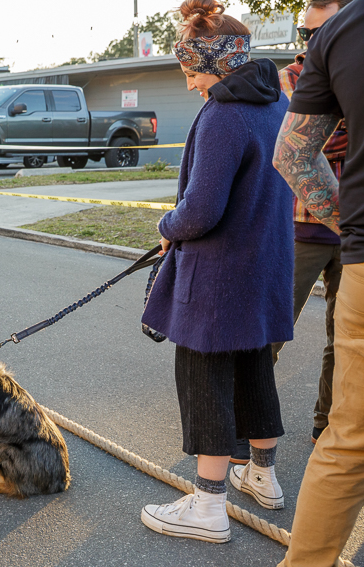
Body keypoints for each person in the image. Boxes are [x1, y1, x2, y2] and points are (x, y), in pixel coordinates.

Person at [140, 0, 293, 544]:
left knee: (204, 376)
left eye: (191, 70)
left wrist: (166, 223)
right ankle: (263, 475)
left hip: (219, 272)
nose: (188, 84)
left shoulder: (223, 113)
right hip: (265, 264)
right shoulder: (277, 103)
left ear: (217, 61)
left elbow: (201, 210)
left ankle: (207, 505)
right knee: (255, 366)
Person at [272, 1, 364, 564]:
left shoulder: (345, 30)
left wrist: (349, 225)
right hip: (318, 233)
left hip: (354, 245)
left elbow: (293, 150)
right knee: (279, 327)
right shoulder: (299, 63)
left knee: (348, 435)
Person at [272, 0, 351, 448]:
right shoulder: (288, 79)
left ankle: (327, 428)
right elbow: (299, 146)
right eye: (307, 35)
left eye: (324, 32)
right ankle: (250, 429)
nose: (313, 45)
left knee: (345, 343)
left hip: (353, 230)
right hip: (299, 227)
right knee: (273, 333)